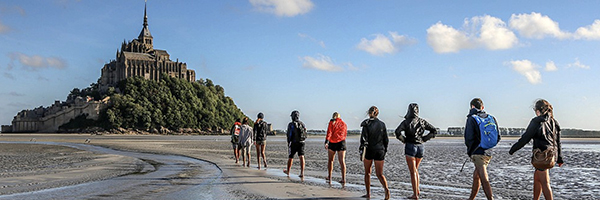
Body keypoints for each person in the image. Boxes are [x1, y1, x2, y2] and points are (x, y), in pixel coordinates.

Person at [509, 99, 564, 200]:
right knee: (537, 179)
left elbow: (525, 138)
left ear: (538, 111)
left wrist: (513, 149)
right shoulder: (554, 122)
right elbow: (557, 142)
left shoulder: (536, 121)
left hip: (541, 156)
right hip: (550, 155)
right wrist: (559, 158)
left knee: (545, 182)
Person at [394, 103, 437, 199]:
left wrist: (404, 140)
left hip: (410, 145)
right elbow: (434, 131)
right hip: (420, 147)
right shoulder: (422, 121)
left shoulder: (406, 122)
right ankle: (417, 190)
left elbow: (397, 132)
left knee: (413, 171)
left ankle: (415, 194)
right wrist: (424, 139)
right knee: (415, 170)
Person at [464, 98, 500, 200]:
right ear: (482, 107)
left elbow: (468, 137)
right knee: (477, 176)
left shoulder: (472, 118)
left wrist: (471, 151)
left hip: (478, 152)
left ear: (472, 107)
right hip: (488, 152)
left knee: (484, 178)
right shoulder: (491, 118)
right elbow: (498, 137)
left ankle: (491, 198)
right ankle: (471, 198)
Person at [360, 106, 390, 199]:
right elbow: (386, 139)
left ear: (369, 113)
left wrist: (361, 150)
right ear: (377, 113)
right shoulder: (382, 124)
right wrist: (384, 150)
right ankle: (386, 189)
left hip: (369, 150)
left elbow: (363, 139)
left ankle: (368, 193)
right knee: (379, 174)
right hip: (380, 150)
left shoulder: (366, 123)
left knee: (367, 173)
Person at [324, 112, 347, 183]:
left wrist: (326, 141)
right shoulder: (344, 123)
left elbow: (329, 132)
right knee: (342, 161)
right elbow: (345, 133)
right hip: (341, 142)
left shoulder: (332, 123)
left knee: (331, 160)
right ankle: (343, 178)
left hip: (333, 142)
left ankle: (329, 176)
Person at [284, 110, 307, 177]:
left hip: (294, 142)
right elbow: (305, 133)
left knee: (291, 157)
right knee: (301, 156)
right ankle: (302, 173)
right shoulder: (302, 124)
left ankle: (288, 171)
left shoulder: (291, 124)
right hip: (302, 142)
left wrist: (288, 142)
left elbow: (289, 134)